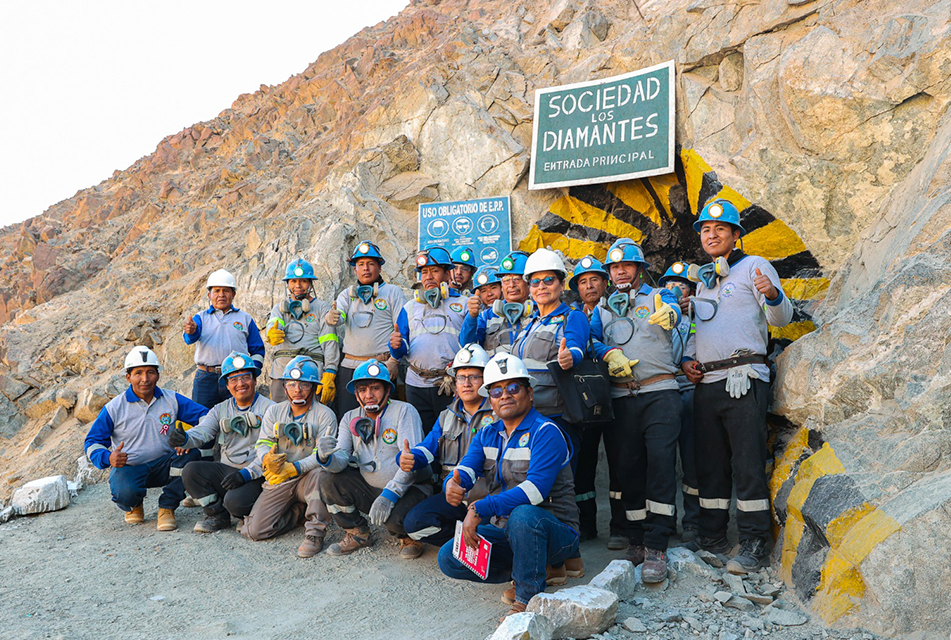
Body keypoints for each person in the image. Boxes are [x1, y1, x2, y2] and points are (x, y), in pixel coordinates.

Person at [680, 199, 792, 575]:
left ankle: (755, 541)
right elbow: (697, 329)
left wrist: (773, 294)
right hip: (707, 381)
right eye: (705, 231)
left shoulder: (754, 266)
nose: (711, 236)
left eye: (720, 230)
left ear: (735, 235)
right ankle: (712, 536)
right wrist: (687, 359)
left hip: (742, 377)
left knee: (746, 463)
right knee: (710, 464)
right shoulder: (702, 279)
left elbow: (781, 317)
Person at [436, 353, 580, 619]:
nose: (505, 395)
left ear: (530, 393)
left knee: (522, 515)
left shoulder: (545, 431)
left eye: (513, 388)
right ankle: (526, 568)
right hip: (508, 532)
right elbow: (468, 467)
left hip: (555, 532)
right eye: (497, 391)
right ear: (490, 400)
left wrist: (480, 508)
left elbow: (535, 491)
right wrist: (452, 483)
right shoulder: (488, 433)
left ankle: (527, 597)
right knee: (449, 557)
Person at [589, 239, 683, 583]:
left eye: (626, 266)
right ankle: (637, 540)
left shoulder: (657, 296)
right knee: (627, 469)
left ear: (639, 269)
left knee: (660, 465)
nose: (620, 272)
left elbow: (672, 304)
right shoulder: (602, 307)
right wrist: (606, 352)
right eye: (614, 268)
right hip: (622, 397)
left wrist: (671, 310)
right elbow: (592, 340)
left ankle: (657, 545)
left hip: (660, 392)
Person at [84, 346, 210, 531]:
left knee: (192, 455)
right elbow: (92, 441)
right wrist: (107, 458)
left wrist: (189, 438)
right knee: (124, 492)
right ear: (128, 377)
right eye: (138, 373)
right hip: (131, 467)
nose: (145, 379)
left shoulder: (171, 399)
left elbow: (205, 416)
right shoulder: (114, 408)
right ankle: (133, 504)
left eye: (150, 372)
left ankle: (167, 507)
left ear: (157, 375)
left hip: (166, 464)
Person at [317, 359, 430, 558]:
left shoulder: (404, 411)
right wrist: (326, 457)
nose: (368, 395)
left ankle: (409, 537)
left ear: (387, 389)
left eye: (375, 388)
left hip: (409, 488)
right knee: (328, 479)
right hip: (372, 488)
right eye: (362, 389)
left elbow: (411, 464)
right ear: (356, 394)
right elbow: (342, 459)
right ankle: (357, 533)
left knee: (396, 519)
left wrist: (390, 495)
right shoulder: (349, 417)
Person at [241, 356, 338, 558]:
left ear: (314, 387)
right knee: (256, 531)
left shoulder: (325, 415)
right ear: (284, 386)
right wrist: (266, 457)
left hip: (308, 477)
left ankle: (314, 532)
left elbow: (322, 455)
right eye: (291, 384)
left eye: (304, 384)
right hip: (280, 479)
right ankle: (297, 513)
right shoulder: (274, 411)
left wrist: (294, 469)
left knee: (323, 474)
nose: (297, 390)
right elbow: (264, 441)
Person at [402, 343, 496, 550]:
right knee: (414, 524)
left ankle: (480, 539)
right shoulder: (447, 415)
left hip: (490, 500)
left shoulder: (499, 413)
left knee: (499, 531)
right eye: (461, 377)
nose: (467, 383)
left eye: (474, 377)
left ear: (486, 380)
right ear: (454, 382)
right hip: (454, 498)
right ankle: (466, 543)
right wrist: (410, 457)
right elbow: (428, 448)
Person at [174, 351, 275, 533]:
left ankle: (244, 513)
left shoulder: (271, 409)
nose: (240, 384)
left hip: (257, 474)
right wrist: (186, 439)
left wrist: (245, 474)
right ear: (227, 386)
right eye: (234, 379)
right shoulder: (220, 409)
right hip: (227, 471)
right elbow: (203, 432)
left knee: (235, 503)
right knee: (191, 471)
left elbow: (272, 452)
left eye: (246, 377)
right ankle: (217, 516)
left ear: (255, 380)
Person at [566, 254, 616, 544]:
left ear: (605, 282)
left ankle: (622, 526)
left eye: (594, 279)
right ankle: (587, 525)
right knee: (583, 463)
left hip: (619, 394)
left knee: (622, 461)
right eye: (583, 282)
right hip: (585, 397)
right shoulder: (571, 315)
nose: (589, 286)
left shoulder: (619, 308)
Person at [389, 247, 466, 432]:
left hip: (449, 384)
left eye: (435, 271)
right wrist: (395, 347)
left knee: (450, 434)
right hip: (416, 384)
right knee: (420, 432)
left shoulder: (463, 304)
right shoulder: (409, 307)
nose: (429, 277)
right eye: (424, 272)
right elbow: (403, 347)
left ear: (448, 274)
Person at [325, 241, 405, 417]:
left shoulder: (393, 292)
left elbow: (402, 330)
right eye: (361, 264)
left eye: (371, 264)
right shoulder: (347, 294)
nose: (366, 269)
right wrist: (332, 317)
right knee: (348, 416)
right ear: (355, 270)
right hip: (349, 368)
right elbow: (340, 315)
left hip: (381, 366)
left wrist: (394, 361)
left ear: (379, 268)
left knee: (384, 418)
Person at [658, 261, 700, 544]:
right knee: (661, 461)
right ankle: (665, 521)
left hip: (690, 392)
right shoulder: (658, 314)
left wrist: (696, 308)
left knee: (693, 459)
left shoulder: (700, 316)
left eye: (681, 284)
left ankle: (694, 523)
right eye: (670, 284)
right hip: (663, 390)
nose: (675, 288)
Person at [182, 268, 265, 409]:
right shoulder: (200, 318)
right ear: (209, 295)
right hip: (205, 379)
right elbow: (190, 338)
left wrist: (251, 372)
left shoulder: (245, 319)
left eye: (226, 291)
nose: (221, 295)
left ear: (233, 294)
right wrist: (190, 331)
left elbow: (258, 350)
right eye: (217, 291)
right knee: (202, 420)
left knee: (239, 418)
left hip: (236, 377)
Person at [264, 258, 340, 405]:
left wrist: (330, 372)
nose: (298, 285)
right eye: (293, 281)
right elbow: (274, 324)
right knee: (278, 417)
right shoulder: (279, 309)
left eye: (303, 281)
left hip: (312, 375)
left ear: (310, 284)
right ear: (287, 284)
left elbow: (330, 341)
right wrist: (271, 333)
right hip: (282, 373)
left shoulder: (322, 308)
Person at [460, 250, 532, 356]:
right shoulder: (486, 316)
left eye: (517, 279)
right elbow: (467, 345)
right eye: (506, 280)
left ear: (529, 281)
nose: (511, 285)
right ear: (502, 285)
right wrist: (471, 317)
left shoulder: (540, 312)